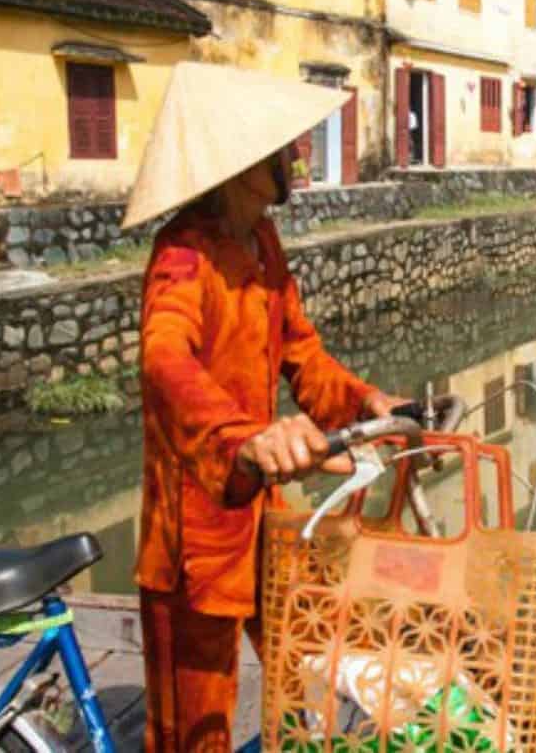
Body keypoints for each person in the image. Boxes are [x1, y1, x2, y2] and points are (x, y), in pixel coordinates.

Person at [122, 64, 405, 752]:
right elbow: (164, 358)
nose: (298, 156)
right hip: (195, 531)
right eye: (285, 148)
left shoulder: (262, 244)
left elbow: (301, 354)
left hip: (263, 512)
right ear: (249, 164)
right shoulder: (184, 256)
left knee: (304, 667)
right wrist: (242, 439)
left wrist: (368, 400)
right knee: (195, 725)